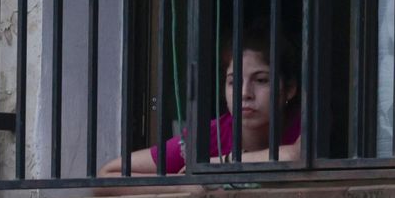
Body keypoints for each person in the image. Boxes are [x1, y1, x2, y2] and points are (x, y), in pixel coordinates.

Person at [101, 24, 303, 178]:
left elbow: (295, 156)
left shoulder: (304, 123)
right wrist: (183, 187)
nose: (245, 93)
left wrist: (213, 165)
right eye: (233, 82)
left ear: (290, 89)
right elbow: (108, 175)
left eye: (261, 80)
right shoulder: (207, 136)